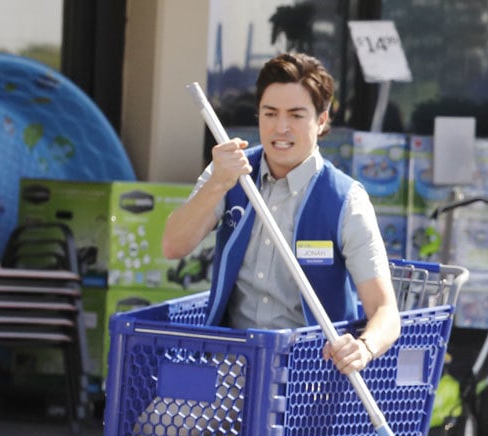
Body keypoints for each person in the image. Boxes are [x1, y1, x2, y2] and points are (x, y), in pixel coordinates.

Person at [162, 52, 395, 376]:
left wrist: (364, 347)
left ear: (322, 120)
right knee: (155, 425)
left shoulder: (346, 199)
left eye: (296, 115)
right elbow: (173, 245)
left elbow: (385, 311)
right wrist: (217, 184)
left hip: (311, 379)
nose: (280, 127)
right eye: (270, 113)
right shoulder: (228, 171)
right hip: (228, 366)